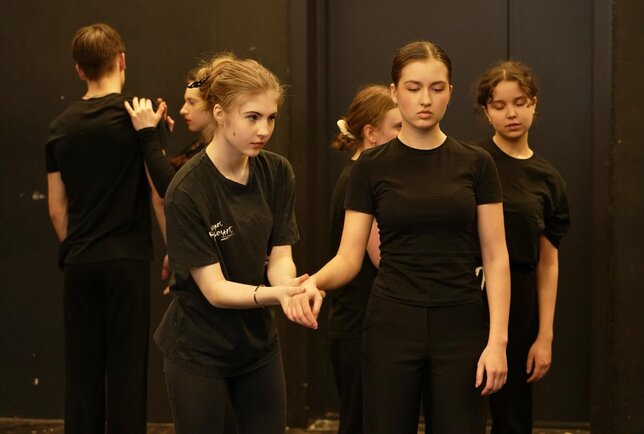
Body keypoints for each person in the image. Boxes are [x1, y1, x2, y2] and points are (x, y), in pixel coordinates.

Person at [287, 40, 511, 434]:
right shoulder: (370, 167)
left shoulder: (477, 164)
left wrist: (498, 342)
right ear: (394, 92)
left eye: (436, 88)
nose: (425, 99)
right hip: (391, 323)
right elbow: (349, 257)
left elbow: (496, 258)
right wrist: (314, 283)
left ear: (449, 92)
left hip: (461, 323)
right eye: (413, 88)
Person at [152, 52, 310, 434]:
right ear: (220, 114)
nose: (264, 130)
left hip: (257, 346)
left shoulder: (277, 172)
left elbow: (280, 256)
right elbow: (215, 290)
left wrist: (290, 287)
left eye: (271, 117)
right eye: (252, 117)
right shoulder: (187, 190)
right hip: (198, 349)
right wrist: (278, 295)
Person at [45, 23, 168, 434]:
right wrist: (176, 250)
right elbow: (158, 195)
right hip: (127, 261)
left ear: (79, 70)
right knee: (127, 372)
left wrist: (79, 247)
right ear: (122, 60)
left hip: (80, 261)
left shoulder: (60, 126)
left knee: (82, 374)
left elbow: (56, 209)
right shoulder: (140, 118)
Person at [472, 60, 571, 434]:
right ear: (486, 111)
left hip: (521, 298)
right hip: (467, 292)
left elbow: (548, 263)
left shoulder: (548, 179)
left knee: (512, 411)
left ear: (534, 104)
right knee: (459, 402)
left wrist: (544, 336)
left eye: (520, 102)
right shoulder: (471, 162)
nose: (511, 114)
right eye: (499, 105)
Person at [328, 84, 401, 434]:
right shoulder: (360, 179)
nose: (406, 135)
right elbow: (383, 257)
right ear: (371, 133)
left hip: (364, 325)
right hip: (359, 328)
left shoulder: (364, 174)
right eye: (398, 127)